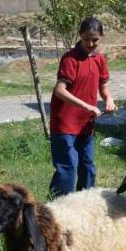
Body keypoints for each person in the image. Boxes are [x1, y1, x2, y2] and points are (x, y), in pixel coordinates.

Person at [49, 17, 116, 198]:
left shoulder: (99, 59)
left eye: (95, 39)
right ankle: (60, 204)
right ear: (80, 35)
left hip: (85, 123)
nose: (91, 43)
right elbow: (59, 90)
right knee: (68, 166)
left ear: (101, 37)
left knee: (87, 165)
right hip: (64, 123)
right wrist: (87, 105)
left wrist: (108, 99)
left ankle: (85, 201)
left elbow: (103, 86)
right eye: (87, 39)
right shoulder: (70, 59)